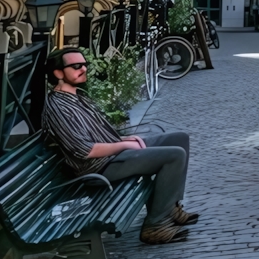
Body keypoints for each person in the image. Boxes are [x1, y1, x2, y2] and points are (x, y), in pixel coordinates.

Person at [43, 47, 197, 244]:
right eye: (75, 66)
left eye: (84, 64)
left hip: (112, 155)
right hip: (99, 168)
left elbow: (101, 134)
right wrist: (123, 146)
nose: (83, 69)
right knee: (174, 155)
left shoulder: (75, 97)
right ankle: (156, 225)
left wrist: (124, 141)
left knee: (179, 139)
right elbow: (86, 151)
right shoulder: (59, 107)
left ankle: (170, 208)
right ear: (58, 73)